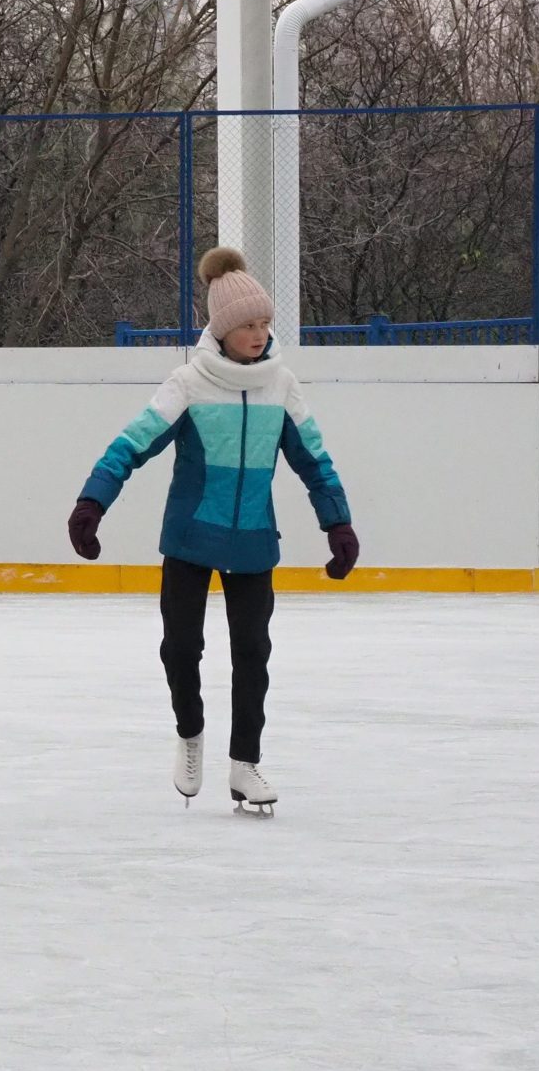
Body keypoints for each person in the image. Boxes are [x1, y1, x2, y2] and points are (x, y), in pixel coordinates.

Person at [68, 247, 359, 815]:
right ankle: (190, 733)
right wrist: (92, 502)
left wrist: (338, 522)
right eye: (248, 325)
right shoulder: (189, 382)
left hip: (253, 538)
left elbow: (314, 459)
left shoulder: (282, 385)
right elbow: (132, 444)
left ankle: (245, 762)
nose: (259, 333)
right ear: (222, 330)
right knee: (181, 647)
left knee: (253, 652)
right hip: (190, 538)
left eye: (265, 323)